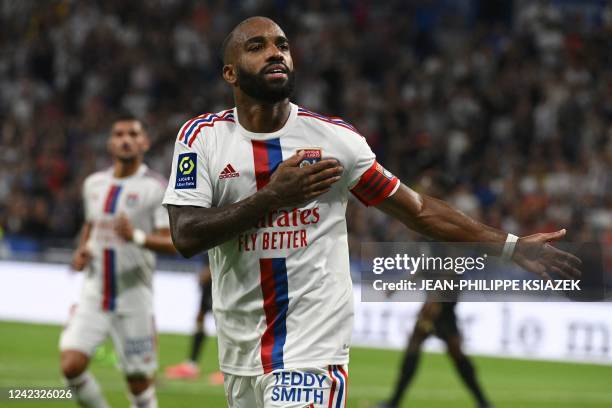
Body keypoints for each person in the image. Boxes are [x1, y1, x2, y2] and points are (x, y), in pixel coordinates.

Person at [162, 17, 580, 408]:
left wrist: (509, 247)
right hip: (240, 352)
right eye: (258, 46)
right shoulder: (202, 139)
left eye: (283, 45)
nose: (276, 53)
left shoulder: (335, 140)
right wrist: (271, 198)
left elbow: (417, 210)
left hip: (312, 349)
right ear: (230, 73)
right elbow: (187, 235)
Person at [59, 115, 176, 408]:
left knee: (138, 384)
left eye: (133, 134)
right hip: (95, 292)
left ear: (145, 142)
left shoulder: (156, 187)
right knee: (71, 365)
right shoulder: (93, 184)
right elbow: (90, 225)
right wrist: (81, 251)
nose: (126, 139)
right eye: (119, 134)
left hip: (134, 296)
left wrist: (135, 236)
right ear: (110, 143)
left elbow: (173, 242)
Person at [379, 302, 492, 408]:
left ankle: (483, 402)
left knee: (454, 353)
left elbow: (448, 282)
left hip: (440, 312)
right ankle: (394, 402)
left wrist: (436, 301)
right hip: (433, 311)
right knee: (415, 346)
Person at [164, 262, 223, 384]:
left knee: (222, 320)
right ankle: (191, 365)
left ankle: (227, 369)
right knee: (200, 317)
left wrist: (211, 270)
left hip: (220, 276)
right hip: (211, 277)